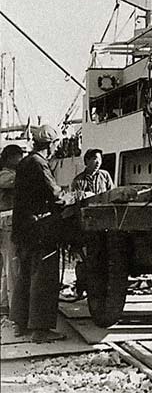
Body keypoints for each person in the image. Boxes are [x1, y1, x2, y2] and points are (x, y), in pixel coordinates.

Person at [10, 125, 66, 343]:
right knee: (44, 277)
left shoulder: (24, 162)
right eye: (56, 144)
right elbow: (55, 196)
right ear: (50, 145)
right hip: (40, 229)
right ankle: (40, 330)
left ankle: (20, 323)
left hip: (23, 230)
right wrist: (72, 196)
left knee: (24, 275)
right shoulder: (39, 164)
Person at [0, 144, 24, 316]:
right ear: (10, 158)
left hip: (4, 220)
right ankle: (14, 309)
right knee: (12, 266)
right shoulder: (7, 176)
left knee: (5, 267)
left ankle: (3, 304)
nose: (21, 160)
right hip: (8, 221)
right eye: (19, 156)